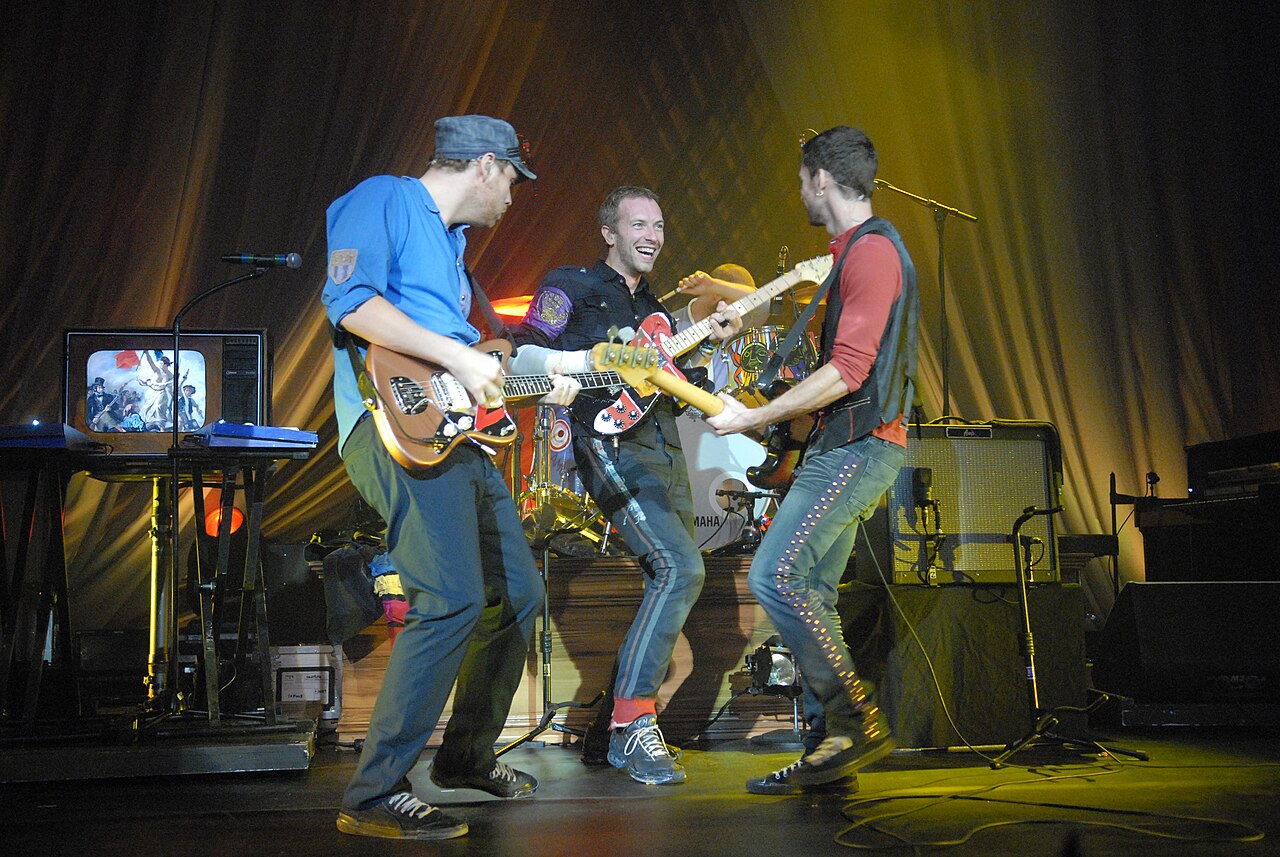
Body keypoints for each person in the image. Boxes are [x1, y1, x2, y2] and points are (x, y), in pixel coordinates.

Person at [321, 114, 581, 841]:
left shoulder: (455, 252)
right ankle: (374, 791)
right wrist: (460, 358)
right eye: (513, 182)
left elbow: (487, 360)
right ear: (486, 165)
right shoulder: (384, 197)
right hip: (391, 429)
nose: (512, 199)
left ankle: (465, 757)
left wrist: (550, 378)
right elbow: (351, 303)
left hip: (457, 438)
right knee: (449, 599)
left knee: (518, 595)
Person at [706, 126, 919, 795]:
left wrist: (753, 417)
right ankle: (831, 744)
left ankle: (853, 721)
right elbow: (833, 361)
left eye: (802, 179)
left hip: (856, 449)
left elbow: (849, 370)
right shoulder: (851, 255)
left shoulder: (873, 253)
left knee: (776, 575)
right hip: (848, 446)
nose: (799, 190)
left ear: (821, 178)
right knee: (813, 591)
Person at [508, 186, 742, 785]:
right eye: (639, 224)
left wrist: (715, 343)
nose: (652, 236)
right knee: (680, 569)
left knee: (671, 577)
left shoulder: (657, 309)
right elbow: (524, 353)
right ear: (609, 232)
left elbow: (682, 386)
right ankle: (633, 723)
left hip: (666, 449)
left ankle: (604, 733)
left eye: (659, 226)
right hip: (607, 443)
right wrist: (583, 363)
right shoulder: (571, 284)